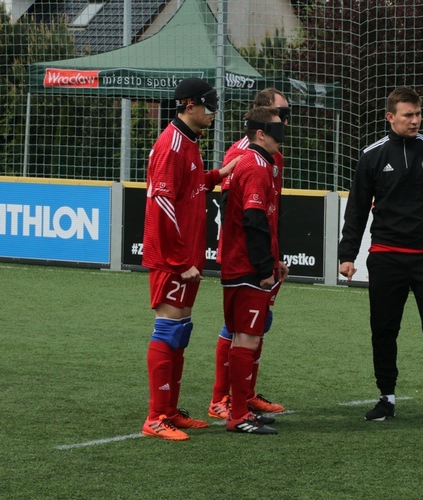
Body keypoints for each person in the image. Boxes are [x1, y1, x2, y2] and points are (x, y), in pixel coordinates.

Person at [338, 86, 423, 427]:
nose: (415, 120)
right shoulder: (372, 155)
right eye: (408, 115)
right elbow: (357, 209)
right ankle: (387, 397)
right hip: (386, 256)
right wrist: (347, 254)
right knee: (383, 329)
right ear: (390, 117)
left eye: (418, 114)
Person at [141, 77, 235, 441]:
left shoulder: (189, 141)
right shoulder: (172, 145)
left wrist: (215, 176)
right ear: (189, 105)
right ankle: (154, 417)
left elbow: (187, 188)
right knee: (169, 328)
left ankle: (168, 410)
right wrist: (180, 260)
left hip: (185, 255)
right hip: (172, 258)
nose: (214, 113)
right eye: (209, 106)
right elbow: (162, 203)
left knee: (181, 331)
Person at [208, 88, 291, 421]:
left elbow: (271, 211)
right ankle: (222, 399)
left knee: (257, 326)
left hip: (260, 255)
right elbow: (238, 212)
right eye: (281, 114)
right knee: (239, 329)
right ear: (262, 116)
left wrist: (275, 256)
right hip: (243, 257)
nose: (286, 121)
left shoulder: (273, 154)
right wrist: (257, 262)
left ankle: (245, 394)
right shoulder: (244, 154)